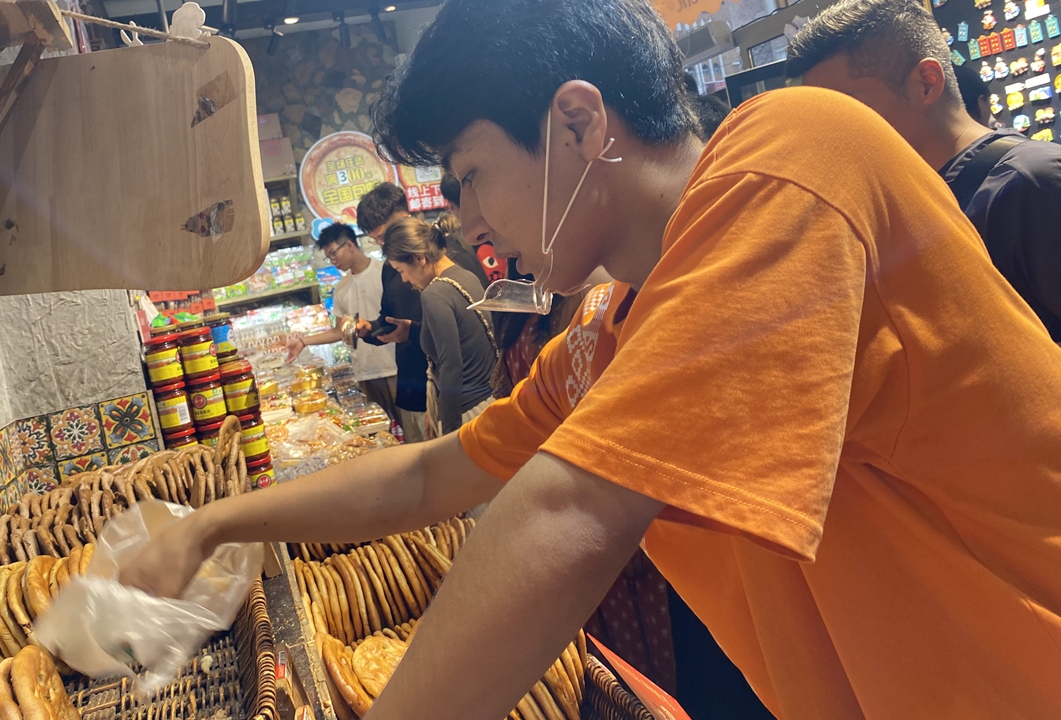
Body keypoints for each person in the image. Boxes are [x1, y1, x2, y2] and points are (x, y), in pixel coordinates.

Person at [123, 2, 1061, 720]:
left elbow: (571, 509)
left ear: (577, 125)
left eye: (470, 174)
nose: (466, 220)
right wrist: (213, 524)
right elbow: (434, 474)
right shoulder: (619, 321)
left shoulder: (793, 156)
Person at [787, 0, 1061, 340]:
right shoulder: (898, 202)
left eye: (847, 107)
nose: (832, 131)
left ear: (927, 84)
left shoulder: (1032, 183)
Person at [383, 216, 497, 437]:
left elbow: (450, 365)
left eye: (401, 270)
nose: (404, 279)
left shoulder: (435, 294)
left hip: (467, 413)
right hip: (488, 401)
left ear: (419, 258)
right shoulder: (466, 275)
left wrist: (449, 430)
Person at [286, 223, 399, 422]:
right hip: (364, 372)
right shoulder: (342, 288)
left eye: (333, 253)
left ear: (349, 245)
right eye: (328, 257)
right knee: (381, 434)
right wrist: (304, 341)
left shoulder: (385, 272)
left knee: (412, 432)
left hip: (395, 367)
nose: (332, 260)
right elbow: (340, 331)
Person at [354, 183, 431, 442]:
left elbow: (463, 324)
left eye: (385, 235)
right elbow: (388, 317)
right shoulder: (390, 267)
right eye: (376, 240)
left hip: (446, 386)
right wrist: (369, 330)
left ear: (406, 216)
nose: (383, 245)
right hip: (409, 384)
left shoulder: (443, 256)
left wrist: (414, 330)